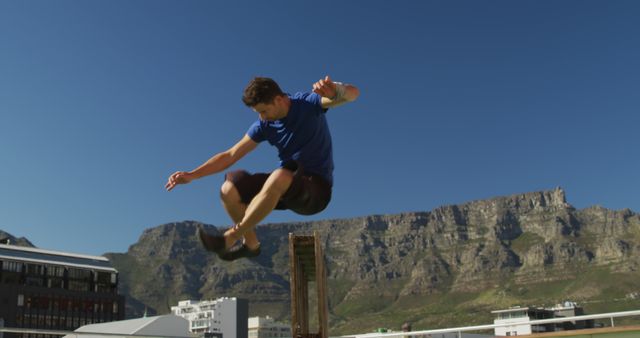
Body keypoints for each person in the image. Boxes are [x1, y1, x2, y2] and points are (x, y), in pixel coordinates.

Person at [165, 75, 359, 260]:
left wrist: (335, 90)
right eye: (258, 113)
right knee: (230, 187)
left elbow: (352, 94)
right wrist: (192, 175)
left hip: (316, 192)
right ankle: (250, 245)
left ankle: (231, 236)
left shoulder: (307, 103)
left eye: (263, 111)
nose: (262, 117)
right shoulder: (265, 125)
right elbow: (231, 155)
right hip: (284, 186)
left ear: (278, 100)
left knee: (279, 176)